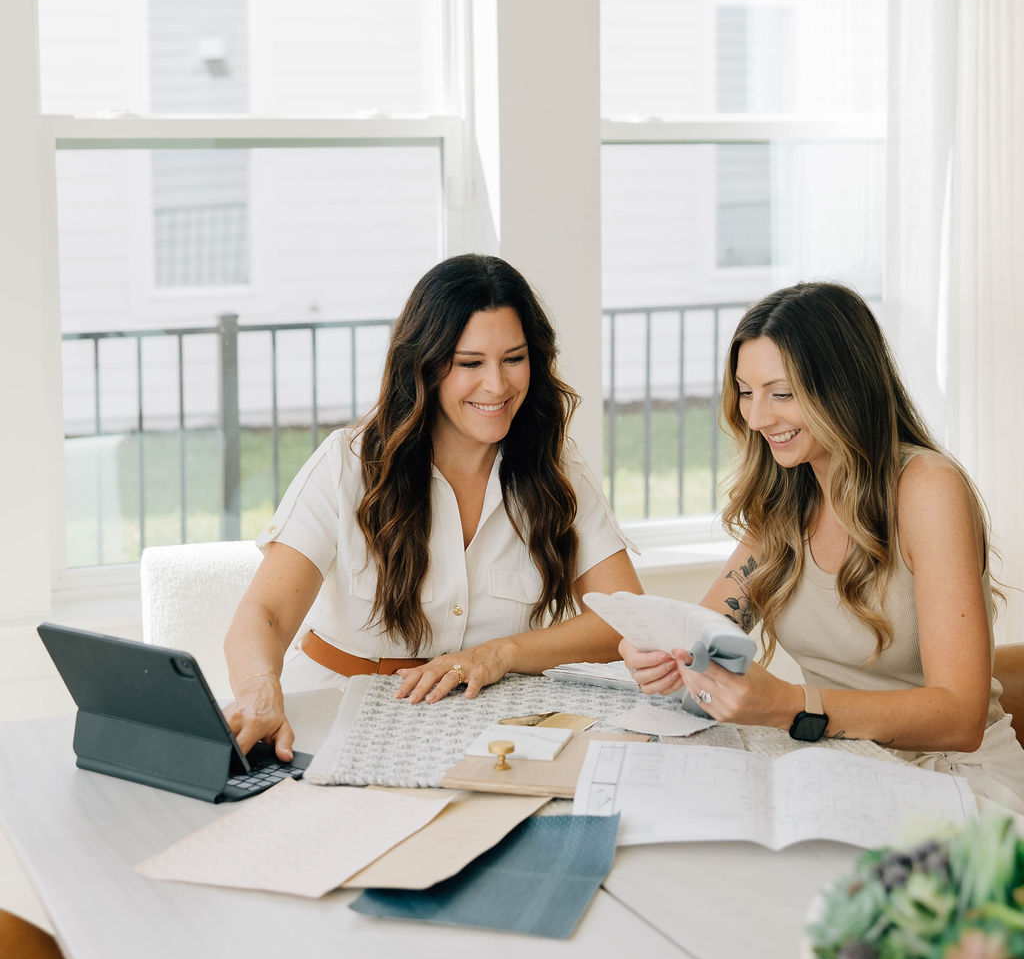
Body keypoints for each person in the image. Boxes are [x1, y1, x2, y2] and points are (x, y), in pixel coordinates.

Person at [623, 281, 1024, 809]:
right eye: (746, 391)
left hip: (953, 776)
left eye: (782, 393)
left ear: (845, 388)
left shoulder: (927, 488)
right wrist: (666, 653)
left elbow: (961, 717)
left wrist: (792, 705)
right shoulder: (788, 493)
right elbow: (709, 628)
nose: (758, 417)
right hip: (843, 760)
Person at [224, 254, 641, 757]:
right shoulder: (348, 463)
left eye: (514, 358)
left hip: (486, 722)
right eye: (470, 363)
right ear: (424, 365)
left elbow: (624, 618)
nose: (498, 384)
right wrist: (259, 687)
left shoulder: (556, 469)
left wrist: (499, 655)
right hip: (337, 713)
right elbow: (265, 611)